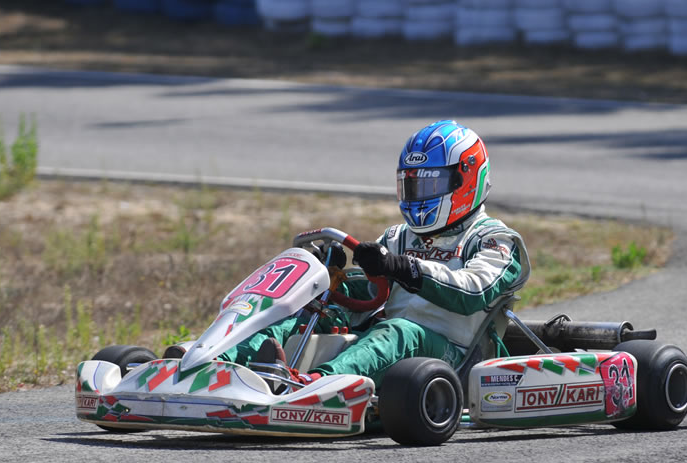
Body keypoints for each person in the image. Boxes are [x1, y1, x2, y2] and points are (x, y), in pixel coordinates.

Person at [174, 119, 531, 388]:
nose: (419, 195)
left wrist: (405, 268)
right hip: (396, 345)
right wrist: (334, 281)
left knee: (398, 332)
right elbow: (369, 295)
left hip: (457, 357)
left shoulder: (495, 240)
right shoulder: (397, 236)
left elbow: (473, 292)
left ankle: (315, 386)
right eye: (412, 185)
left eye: (430, 184)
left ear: (465, 180)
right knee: (306, 310)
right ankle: (214, 364)